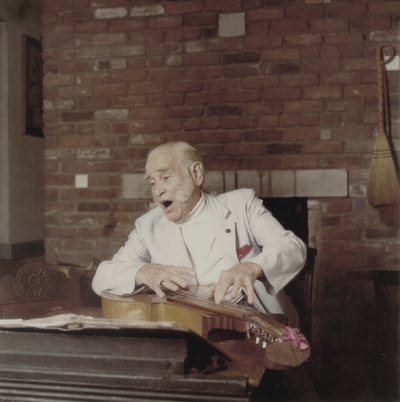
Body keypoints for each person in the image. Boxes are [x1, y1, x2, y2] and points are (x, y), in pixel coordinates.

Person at [92, 141, 307, 326]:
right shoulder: (148, 226)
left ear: (196, 173)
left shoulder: (241, 205)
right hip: (189, 327)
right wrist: (143, 272)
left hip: (254, 322)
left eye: (165, 177)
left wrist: (251, 267)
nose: (158, 191)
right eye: (152, 182)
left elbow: (292, 247)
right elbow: (102, 276)